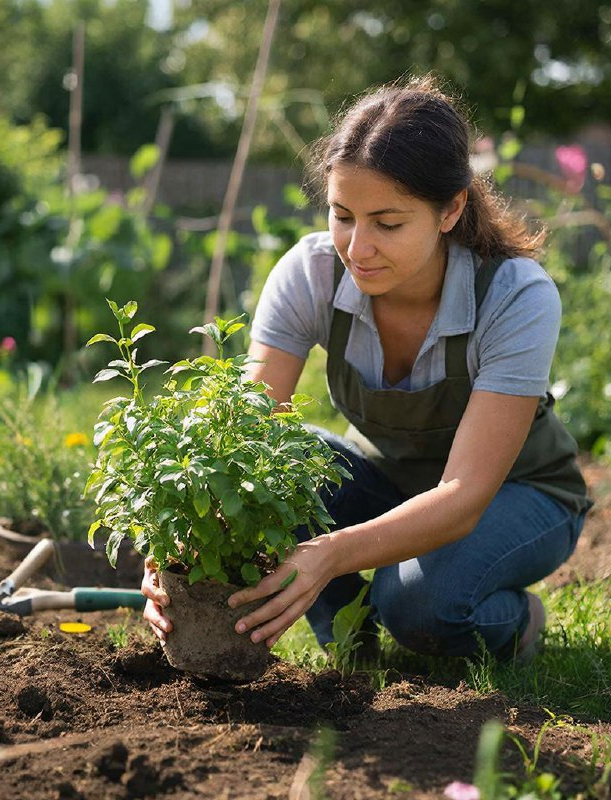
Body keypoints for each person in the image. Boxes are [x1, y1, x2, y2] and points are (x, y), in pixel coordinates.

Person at [142, 75, 591, 662]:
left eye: (388, 223)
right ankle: (353, 647)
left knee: (417, 603)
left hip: (517, 495)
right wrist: (176, 551)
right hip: (392, 483)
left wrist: (330, 553)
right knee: (285, 463)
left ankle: (518, 621)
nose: (357, 248)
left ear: (451, 209)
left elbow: (463, 495)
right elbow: (246, 440)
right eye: (342, 215)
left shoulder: (513, 296)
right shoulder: (311, 274)